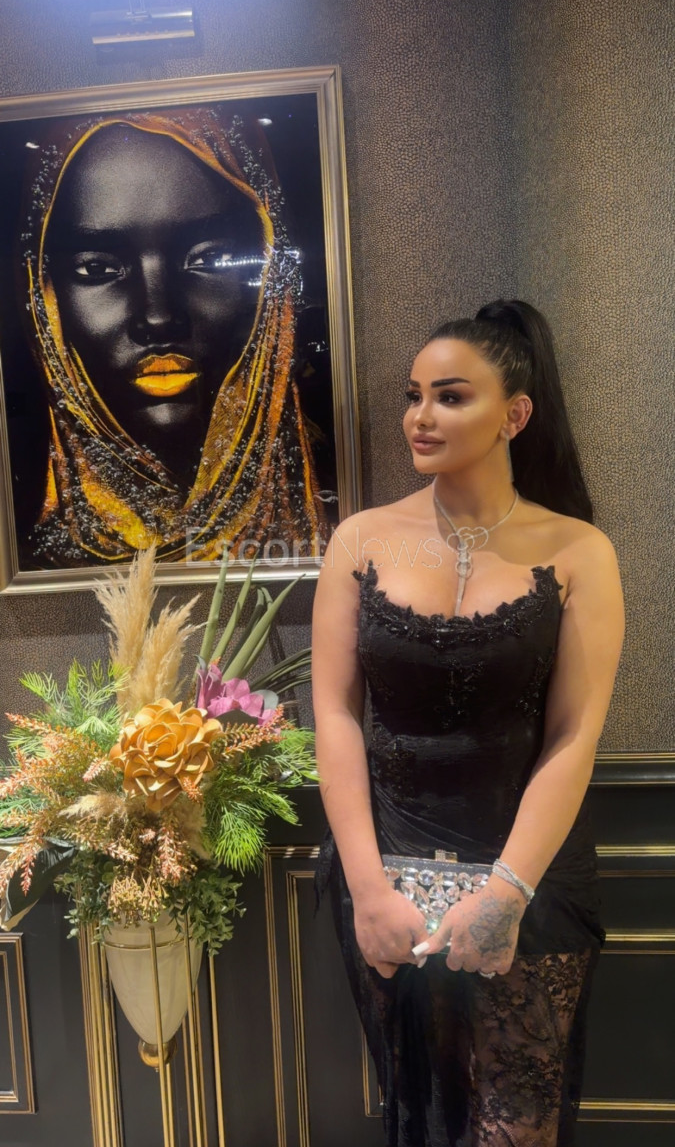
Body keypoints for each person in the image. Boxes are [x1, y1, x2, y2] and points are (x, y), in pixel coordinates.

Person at [311, 299, 624, 1147]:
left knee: (516, 1126)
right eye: (413, 395)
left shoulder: (578, 550)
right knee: (423, 1112)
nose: (420, 416)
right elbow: (333, 715)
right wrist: (367, 889)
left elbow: (573, 734)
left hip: (534, 875)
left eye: (449, 397)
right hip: (385, 874)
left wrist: (504, 895)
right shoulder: (360, 540)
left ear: (513, 416)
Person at [20, 106, 328, 566]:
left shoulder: (344, 506)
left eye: (207, 259)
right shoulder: (28, 549)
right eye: (98, 268)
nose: (159, 317)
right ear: (44, 297)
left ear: (269, 286)